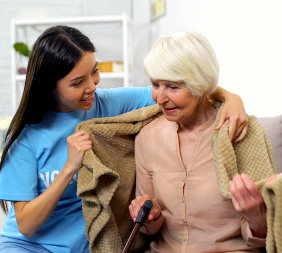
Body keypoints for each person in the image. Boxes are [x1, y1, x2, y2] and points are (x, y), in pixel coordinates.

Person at [0, 26, 247, 253]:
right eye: (78, 82)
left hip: (85, 246)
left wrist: (231, 97)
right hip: (29, 247)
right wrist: (69, 170)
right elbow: (26, 225)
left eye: (94, 71)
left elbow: (182, 86)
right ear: (49, 87)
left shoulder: (108, 103)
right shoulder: (26, 134)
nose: (92, 86)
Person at [129, 31, 273, 252]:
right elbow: (150, 229)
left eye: (173, 87)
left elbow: (264, 237)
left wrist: (257, 218)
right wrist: (150, 217)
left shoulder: (240, 132)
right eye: (155, 84)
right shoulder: (147, 138)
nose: (160, 97)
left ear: (202, 85)